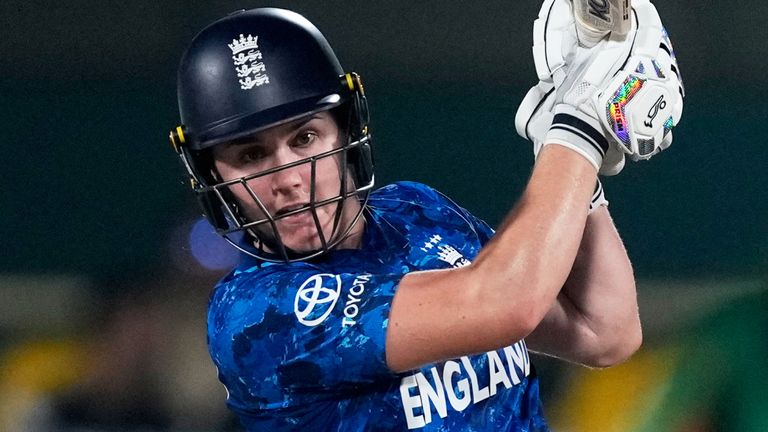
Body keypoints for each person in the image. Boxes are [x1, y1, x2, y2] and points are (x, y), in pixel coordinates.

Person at [167, 1, 684, 430]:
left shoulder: (416, 210)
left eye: (304, 138)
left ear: (346, 132)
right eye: (251, 155)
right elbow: (507, 304)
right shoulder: (256, 315)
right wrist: (580, 127)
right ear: (212, 173)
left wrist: (572, 151)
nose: (287, 176)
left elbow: (605, 332)